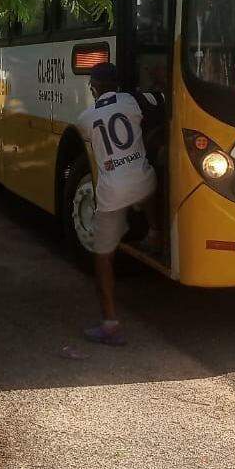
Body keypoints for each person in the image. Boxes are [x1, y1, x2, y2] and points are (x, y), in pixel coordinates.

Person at [75, 62, 160, 347]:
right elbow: (157, 106)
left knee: (103, 260)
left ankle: (110, 324)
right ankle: (154, 231)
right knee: (149, 182)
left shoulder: (85, 118)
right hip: (143, 185)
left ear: (94, 88)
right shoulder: (132, 100)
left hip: (112, 195)